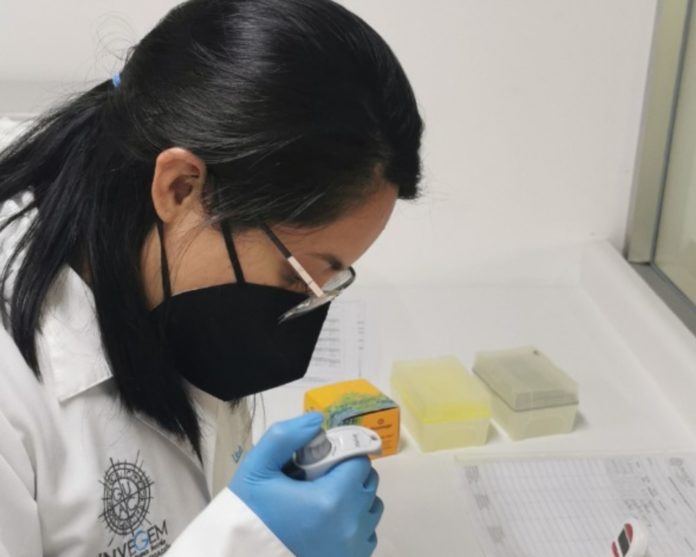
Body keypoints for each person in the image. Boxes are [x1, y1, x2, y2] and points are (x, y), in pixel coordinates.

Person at [0, 0, 423, 555]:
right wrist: (253, 543)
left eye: (330, 281)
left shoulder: (158, 263)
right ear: (180, 187)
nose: (303, 305)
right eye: (297, 275)